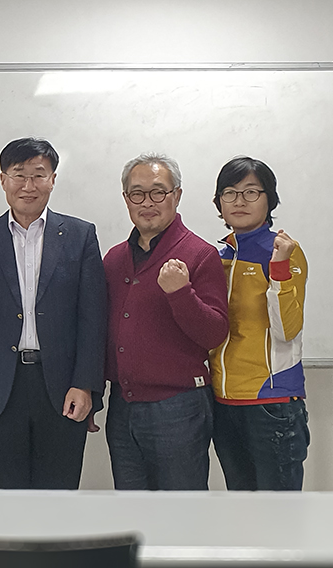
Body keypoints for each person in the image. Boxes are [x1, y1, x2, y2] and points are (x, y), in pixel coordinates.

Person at [0, 138, 106, 490]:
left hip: (61, 385)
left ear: (53, 179)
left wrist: (85, 385)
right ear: (3, 180)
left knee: (58, 493)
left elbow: (93, 318)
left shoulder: (80, 235)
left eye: (38, 175)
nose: (28, 185)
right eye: (19, 175)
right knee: (4, 495)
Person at [103, 153, 228, 491]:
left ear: (177, 195)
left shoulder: (200, 254)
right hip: (122, 405)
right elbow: (101, 331)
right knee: (132, 510)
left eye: (158, 192)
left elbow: (214, 333)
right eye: (137, 193)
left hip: (178, 407)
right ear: (126, 199)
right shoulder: (114, 259)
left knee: (180, 512)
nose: (148, 202)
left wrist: (180, 293)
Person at [209, 157, 308, 490]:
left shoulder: (283, 252)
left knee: (278, 514)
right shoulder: (219, 257)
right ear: (219, 202)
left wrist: (278, 269)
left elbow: (287, 329)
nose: (239, 201)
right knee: (242, 510)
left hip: (271, 403)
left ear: (270, 199)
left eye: (251, 192)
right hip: (223, 402)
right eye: (230, 192)